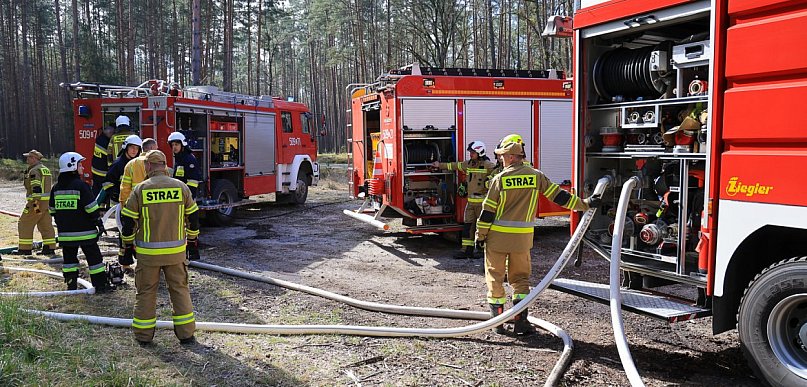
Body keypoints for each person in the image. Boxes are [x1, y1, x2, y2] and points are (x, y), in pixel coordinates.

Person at [476, 138, 600, 335]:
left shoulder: (499, 179)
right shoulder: (536, 176)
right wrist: (586, 203)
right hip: (522, 240)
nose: (500, 159)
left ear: (511, 156)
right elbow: (561, 197)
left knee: (495, 278)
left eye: (502, 156)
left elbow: (488, 211)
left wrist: (480, 235)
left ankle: (497, 323)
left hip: (497, 239)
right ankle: (521, 323)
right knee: (521, 280)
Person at [120, 150, 200, 345]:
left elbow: (128, 221)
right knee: (180, 290)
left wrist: (127, 247)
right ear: (164, 166)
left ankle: (144, 336)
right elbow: (194, 218)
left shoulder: (140, 189)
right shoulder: (181, 187)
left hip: (148, 255)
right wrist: (192, 242)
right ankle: (186, 334)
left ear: (147, 166)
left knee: (146, 293)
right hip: (176, 254)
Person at [49, 152, 109, 292]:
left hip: (66, 235)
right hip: (86, 233)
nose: (82, 167)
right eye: (80, 164)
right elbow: (91, 209)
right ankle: (100, 285)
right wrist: (99, 223)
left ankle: (71, 284)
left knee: (69, 261)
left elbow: (52, 210)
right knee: (94, 260)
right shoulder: (81, 186)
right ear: (73, 166)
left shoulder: (56, 188)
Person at [431, 141, 496, 259]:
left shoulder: (488, 165)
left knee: (482, 228)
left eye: (473, 152)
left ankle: (481, 251)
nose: (470, 154)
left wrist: (489, 180)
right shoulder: (469, 164)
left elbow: (498, 174)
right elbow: (455, 165)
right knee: (468, 227)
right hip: (470, 203)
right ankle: (466, 250)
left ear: (480, 152)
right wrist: (439, 165)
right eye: (470, 152)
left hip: (483, 204)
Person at [13, 150, 57, 255]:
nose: (27, 159)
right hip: (46, 203)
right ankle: (49, 247)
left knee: (24, 222)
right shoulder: (45, 169)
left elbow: (36, 187)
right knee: (45, 224)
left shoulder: (34, 171)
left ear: (34, 159)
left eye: (29, 157)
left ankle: (25, 249)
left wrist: (35, 204)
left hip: (36, 203)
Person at [101, 134, 143, 204]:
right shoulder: (117, 164)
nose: (134, 150)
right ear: (126, 147)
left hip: (134, 201)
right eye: (132, 147)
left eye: (137, 148)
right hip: (117, 203)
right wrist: (116, 193)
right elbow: (106, 183)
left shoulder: (138, 164)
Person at [119, 138, 158, 205]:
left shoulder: (130, 164)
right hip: (154, 204)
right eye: (157, 148)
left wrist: (124, 206)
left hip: (136, 203)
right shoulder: (159, 163)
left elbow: (124, 189)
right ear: (152, 148)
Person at [168, 132, 202, 198]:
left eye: (176, 144)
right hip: (179, 195)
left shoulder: (189, 159)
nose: (174, 147)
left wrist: (188, 197)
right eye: (172, 145)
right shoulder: (180, 158)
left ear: (183, 145)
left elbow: (193, 181)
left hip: (187, 196)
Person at [92, 125, 115, 196]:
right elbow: (110, 155)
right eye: (111, 132)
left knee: (97, 190)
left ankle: (98, 205)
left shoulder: (100, 138)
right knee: (103, 191)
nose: (112, 134)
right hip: (102, 172)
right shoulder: (104, 142)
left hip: (96, 170)